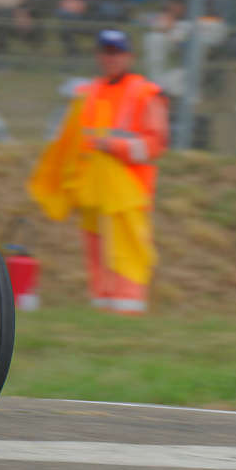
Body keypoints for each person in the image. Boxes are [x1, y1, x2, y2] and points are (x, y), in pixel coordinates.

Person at [28, 29, 168, 314]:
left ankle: (128, 305)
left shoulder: (145, 93)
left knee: (127, 248)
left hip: (130, 191)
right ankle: (102, 305)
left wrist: (113, 147)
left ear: (129, 57)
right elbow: (71, 140)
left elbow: (155, 144)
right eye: (106, 52)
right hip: (93, 188)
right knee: (96, 248)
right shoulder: (87, 93)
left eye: (117, 53)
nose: (111, 58)